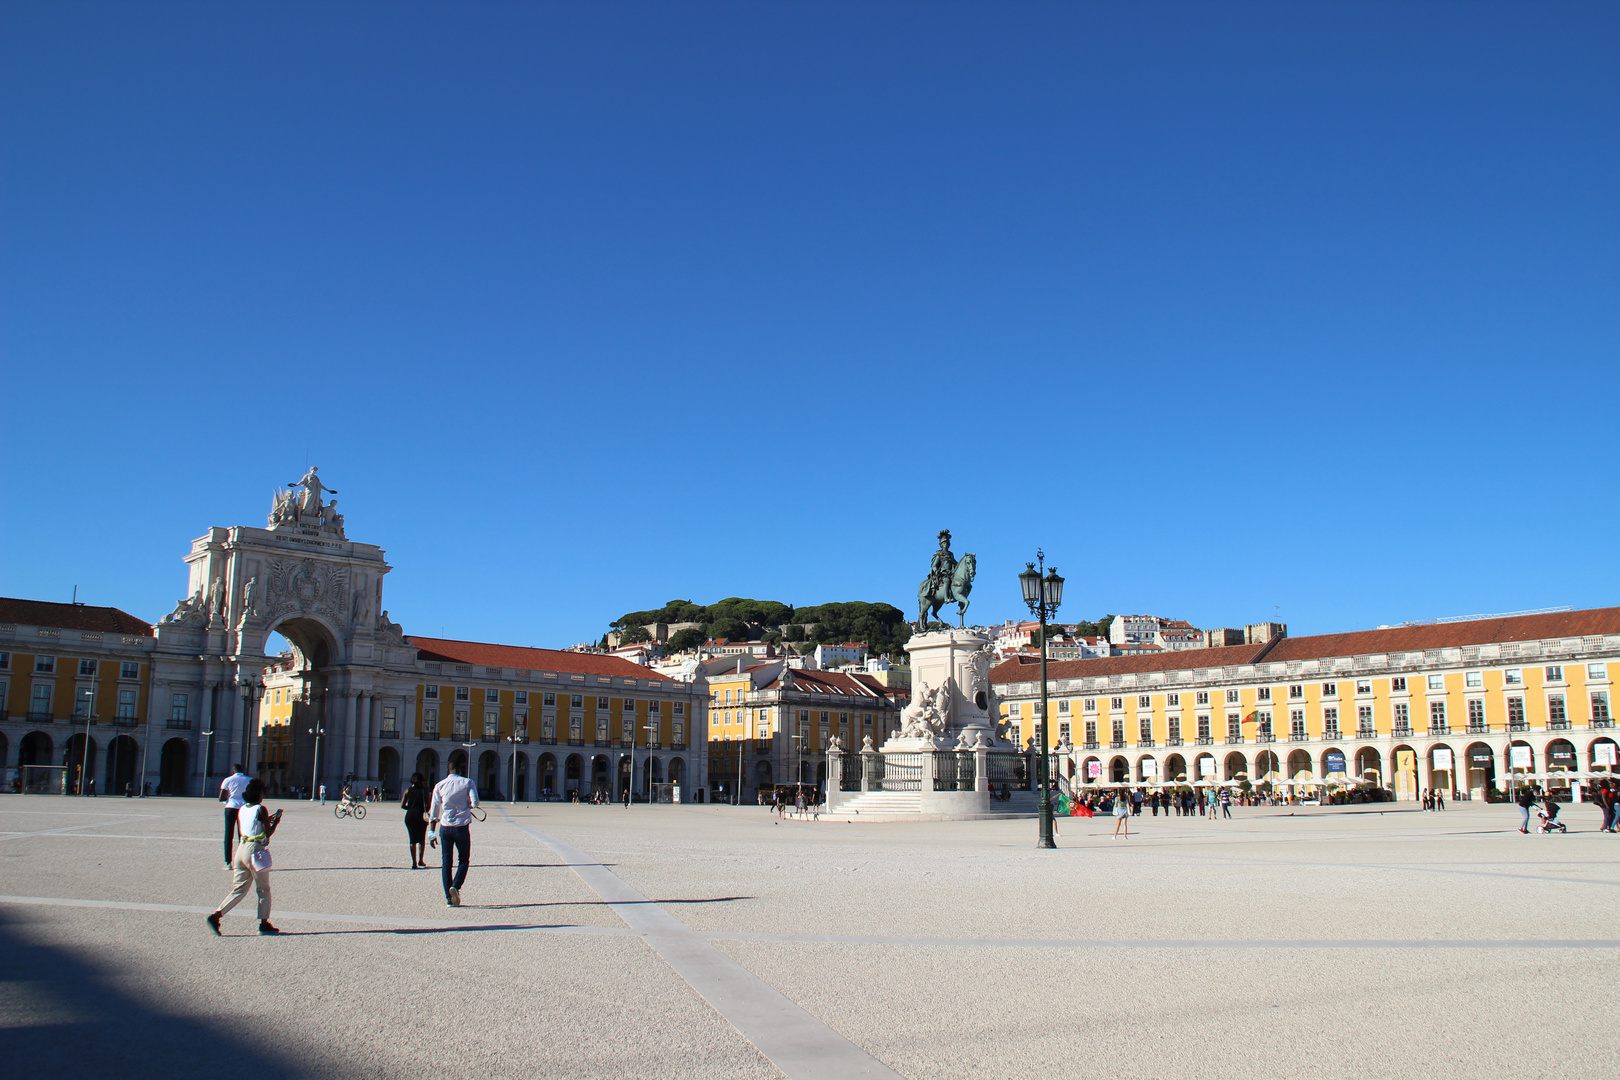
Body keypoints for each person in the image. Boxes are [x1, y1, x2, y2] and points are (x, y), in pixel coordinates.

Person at [205, 778, 282, 936]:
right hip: (254, 850)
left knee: (238, 889)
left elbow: (250, 826)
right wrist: (275, 823)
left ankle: (216, 916)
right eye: (261, 793)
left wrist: (266, 821)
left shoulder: (242, 809)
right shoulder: (261, 809)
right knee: (263, 889)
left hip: (241, 849)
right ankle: (264, 923)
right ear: (258, 793)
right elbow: (267, 834)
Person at [428, 759, 480, 906]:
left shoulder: (439, 785)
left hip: (445, 827)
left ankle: (448, 898)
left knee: (446, 863)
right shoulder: (468, 782)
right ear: (461, 770)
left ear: (447, 770)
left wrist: (431, 833)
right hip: (461, 827)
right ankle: (455, 886)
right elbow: (475, 803)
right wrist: (467, 805)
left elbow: (434, 812)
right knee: (463, 860)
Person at [218, 764, 252, 870]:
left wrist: (227, 799)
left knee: (228, 835)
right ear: (243, 770)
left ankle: (228, 862)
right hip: (244, 809)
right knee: (243, 835)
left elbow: (221, 797)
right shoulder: (249, 780)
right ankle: (243, 861)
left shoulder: (228, 780)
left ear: (233, 770)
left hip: (230, 807)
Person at [401, 772, 429, 868]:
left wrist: (410, 808)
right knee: (421, 839)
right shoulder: (424, 791)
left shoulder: (407, 791)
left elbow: (402, 805)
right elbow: (428, 806)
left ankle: (414, 863)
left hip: (410, 816)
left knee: (412, 840)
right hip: (420, 815)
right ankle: (421, 860)